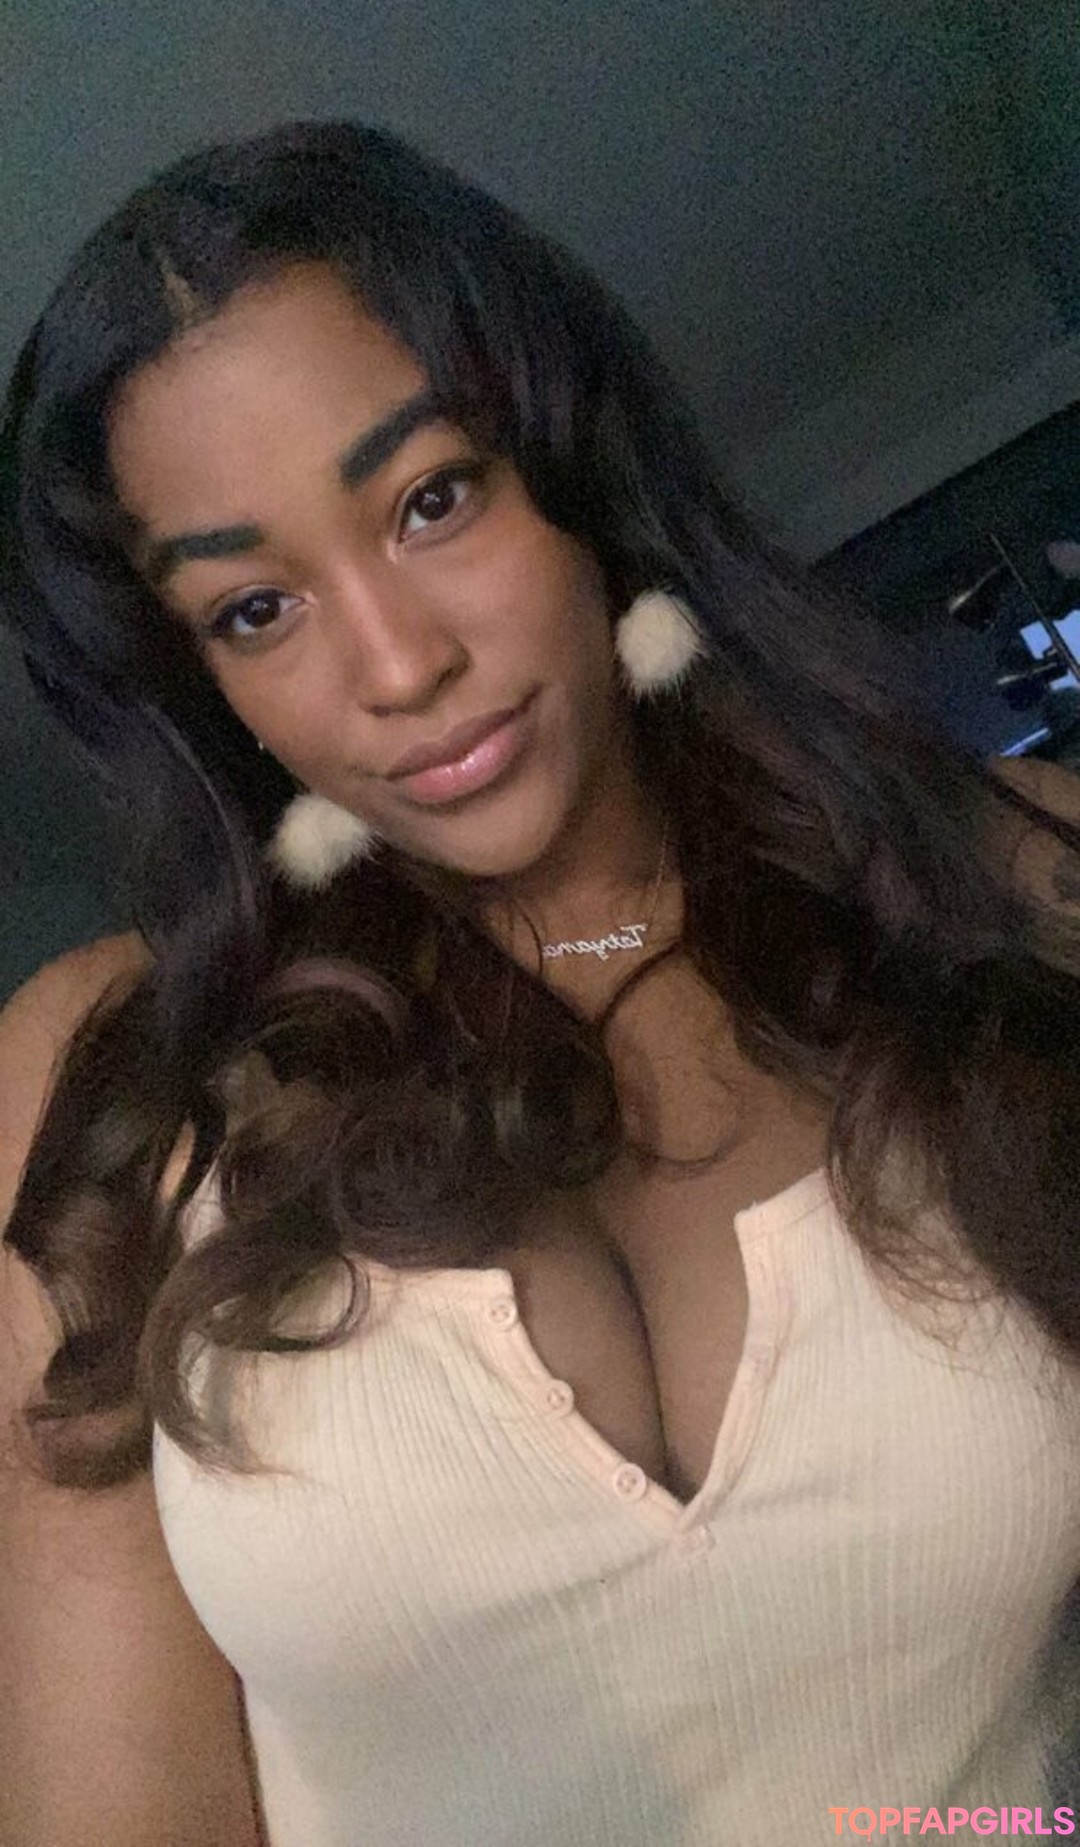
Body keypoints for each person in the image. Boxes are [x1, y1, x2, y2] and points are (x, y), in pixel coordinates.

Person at [1, 119, 1079, 1847]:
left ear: (573, 468)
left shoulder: (1015, 889)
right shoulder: (110, 1078)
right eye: (256, 609)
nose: (399, 664)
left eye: (433, 499)